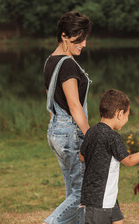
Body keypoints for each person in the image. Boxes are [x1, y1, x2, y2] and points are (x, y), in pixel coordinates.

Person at [79, 89, 139, 224]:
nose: (127, 119)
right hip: (101, 199)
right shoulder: (112, 137)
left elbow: (81, 157)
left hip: (102, 194)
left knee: (118, 220)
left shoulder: (91, 132)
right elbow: (129, 161)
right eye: (127, 115)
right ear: (120, 114)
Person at [43, 11, 92, 224]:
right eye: (78, 39)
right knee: (81, 194)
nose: (84, 44)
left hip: (56, 131)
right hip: (71, 133)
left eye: (84, 38)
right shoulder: (68, 64)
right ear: (64, 36)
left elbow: (50, 100)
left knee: (73, 192)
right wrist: (90, 136)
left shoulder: (50, 61)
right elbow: (74, 105)